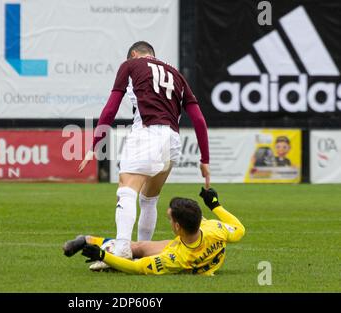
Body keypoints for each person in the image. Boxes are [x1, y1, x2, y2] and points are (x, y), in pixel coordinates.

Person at [77, 41, 210, 269]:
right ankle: (142, 251)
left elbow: (110, 108)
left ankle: (120, 253)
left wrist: (94, 144)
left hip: (147, 133)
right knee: (149, 199)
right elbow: (198, 119)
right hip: (172, 139)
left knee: (126, 190)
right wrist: (205, 159)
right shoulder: (177, 74)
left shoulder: (130, 65)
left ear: (135, 54)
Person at [63, 188, 245, 276]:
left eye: (170, 219)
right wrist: (215, 204)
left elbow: (136, 268)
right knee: (140, 247)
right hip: (193, 244)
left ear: (177, 227)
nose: (169, 221)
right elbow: (239, 230)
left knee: (137, 254)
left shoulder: (173, 258)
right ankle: (86, 240)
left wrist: (103, 256)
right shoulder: (215, 228)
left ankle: (91, 241)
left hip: (186, 254)